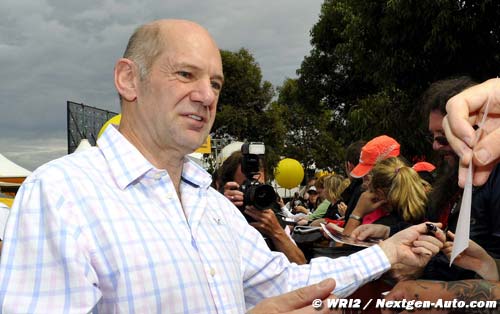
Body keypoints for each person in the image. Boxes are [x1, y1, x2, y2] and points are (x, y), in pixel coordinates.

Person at [0, 19, 445, 313]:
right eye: (185, 75)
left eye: (215, 82)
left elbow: (286, 281)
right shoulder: (60, 194)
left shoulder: (208, 204)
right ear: (128, 79)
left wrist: (386, 253)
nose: (207, 95)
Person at [215, 150, 307, 264]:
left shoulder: (272, 216)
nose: (254, 192)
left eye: (258, 186)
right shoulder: (218, 212)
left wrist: (276, 232)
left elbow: (300, 263)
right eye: (246, 186)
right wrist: (220, 205)